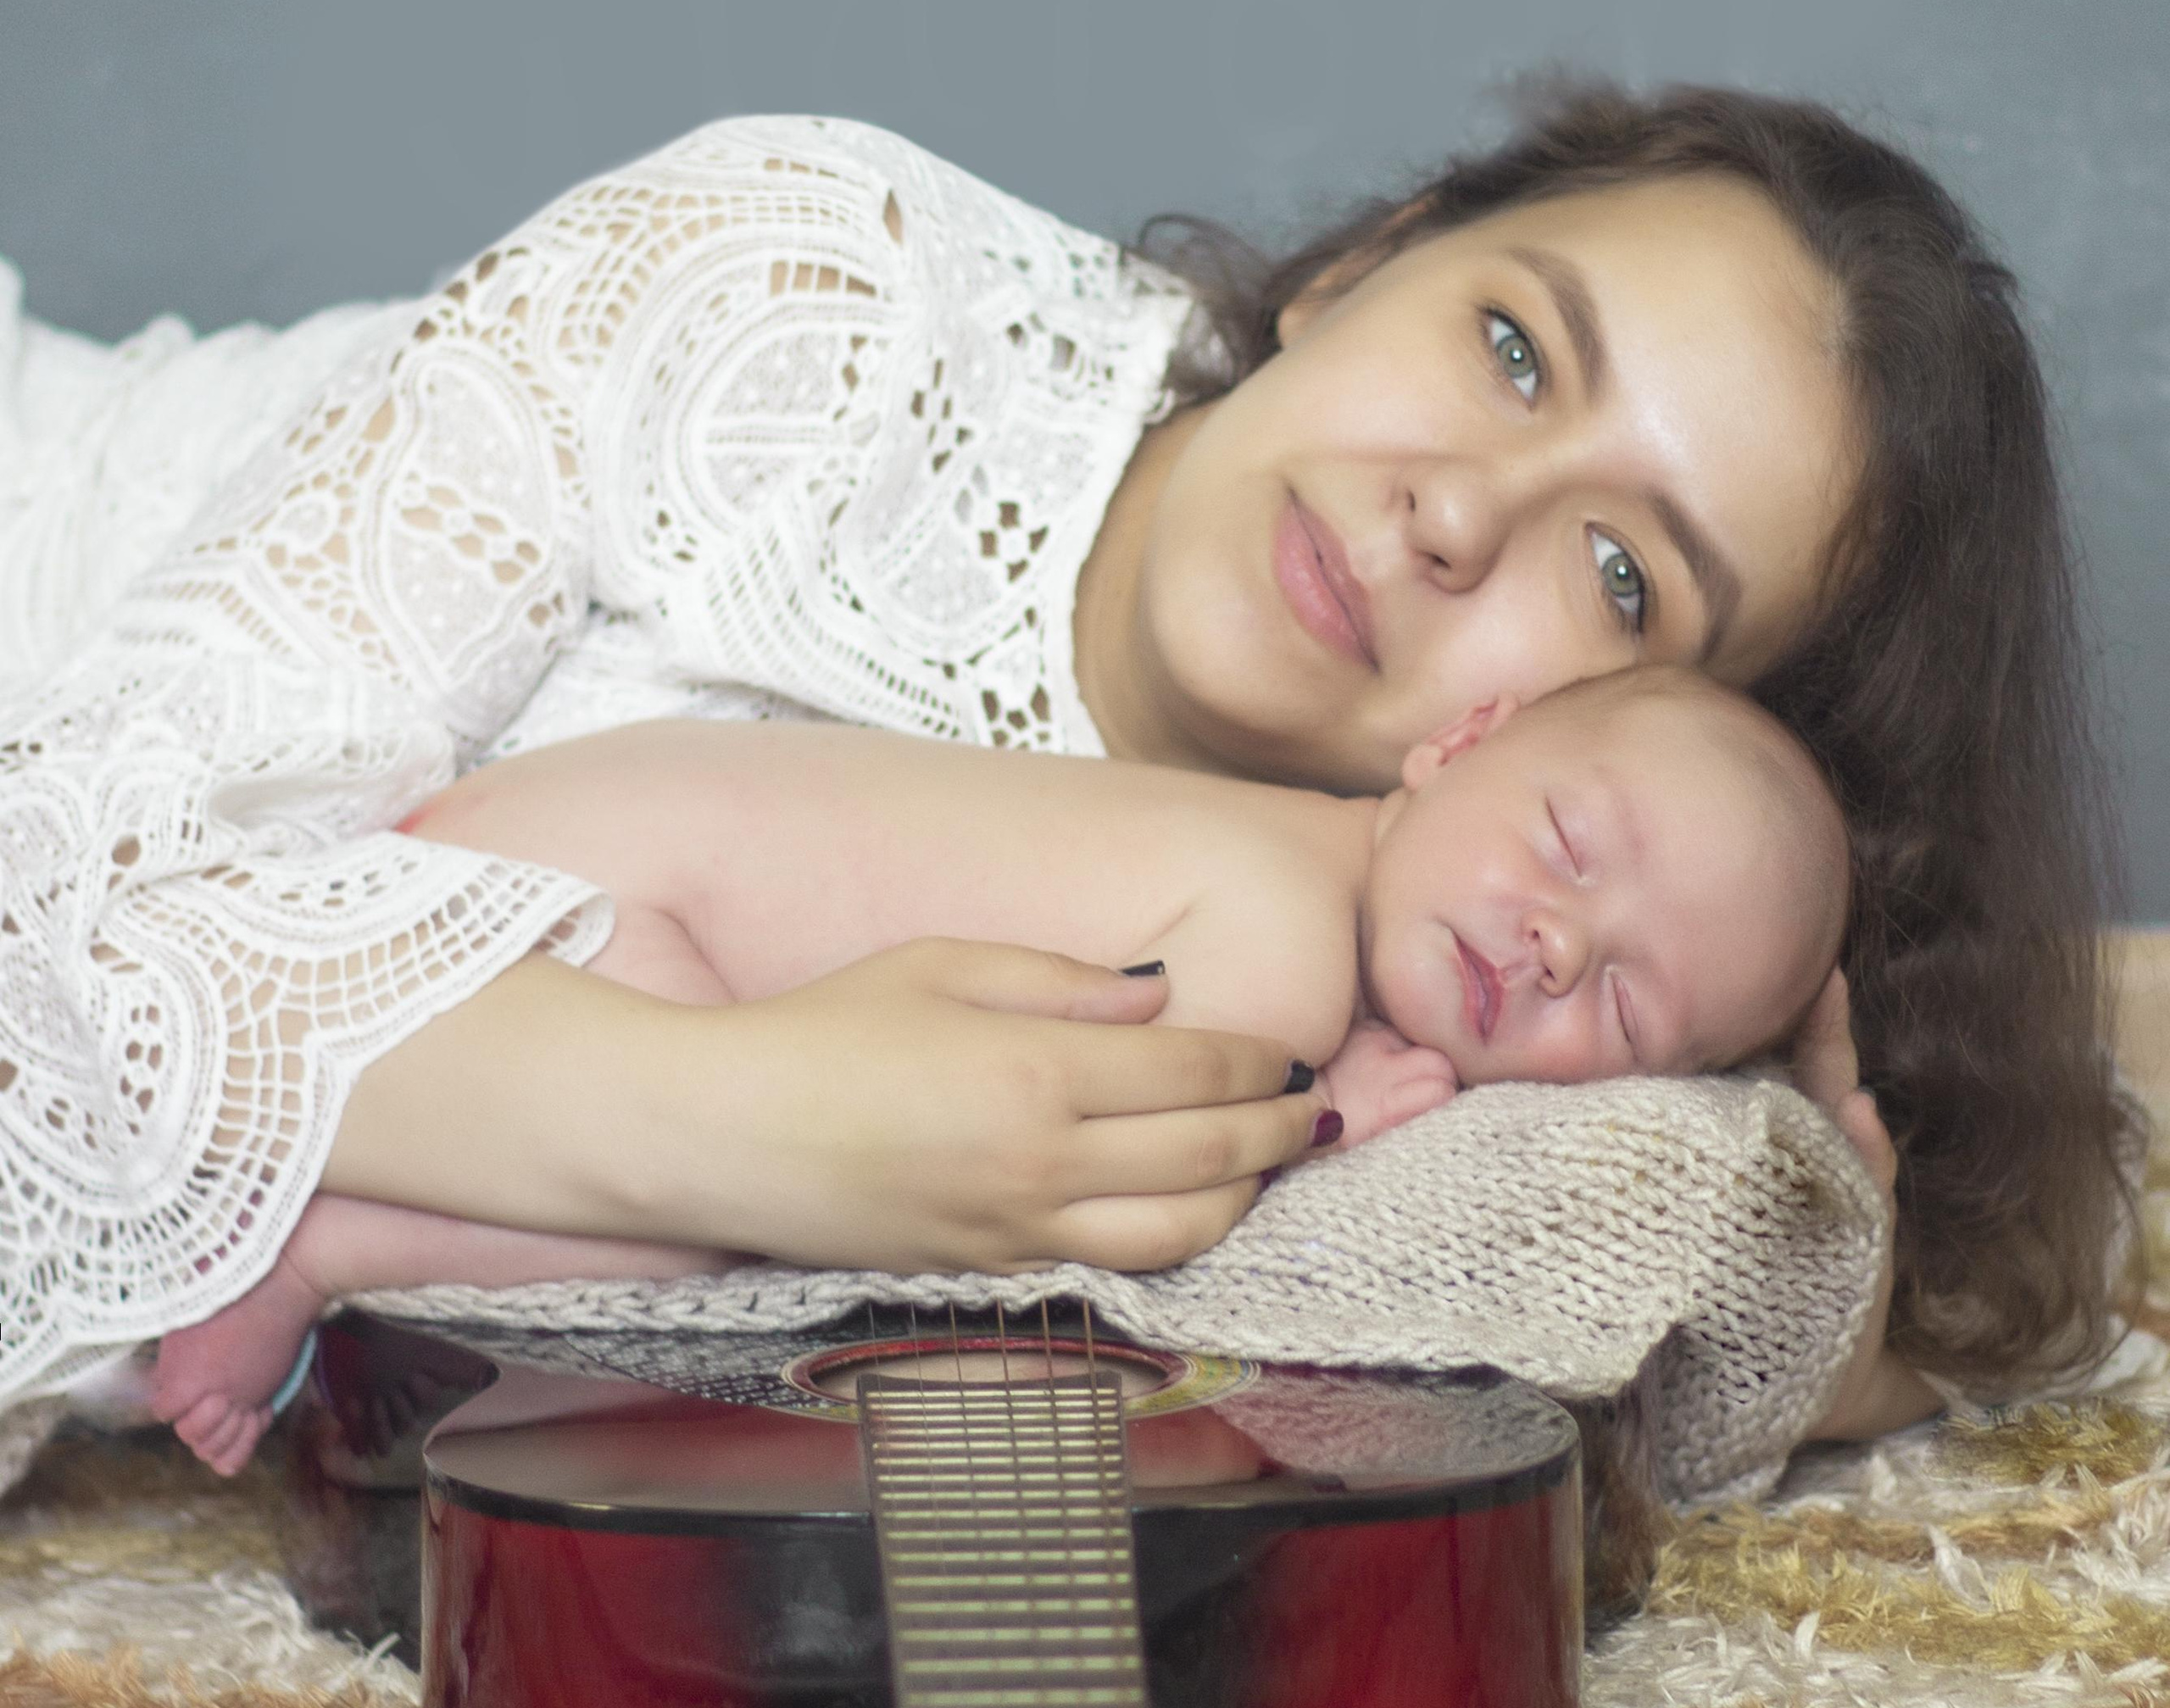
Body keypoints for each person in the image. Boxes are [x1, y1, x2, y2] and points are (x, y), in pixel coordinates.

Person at [0, 86, 2128, 1469]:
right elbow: (65, 907)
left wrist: (1822, 1304)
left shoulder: (1470, 954)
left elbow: (1722, 1258)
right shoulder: (807, 303)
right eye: (1507, 346)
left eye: (1615, 575)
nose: (1449, 517)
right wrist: (762, 1130)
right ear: (1355, 262)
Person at [148, 665, 1850, 1471]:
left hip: (532, 839)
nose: (1553, 941)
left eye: (1617, 1005)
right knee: (693, 1220)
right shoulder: (1276, 926)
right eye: (1562, 842)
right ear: (1460, 737)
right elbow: (1080, 1148)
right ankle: (319, 1244)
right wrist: (1310, 1125)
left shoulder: (1247, 840)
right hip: (599, 923)